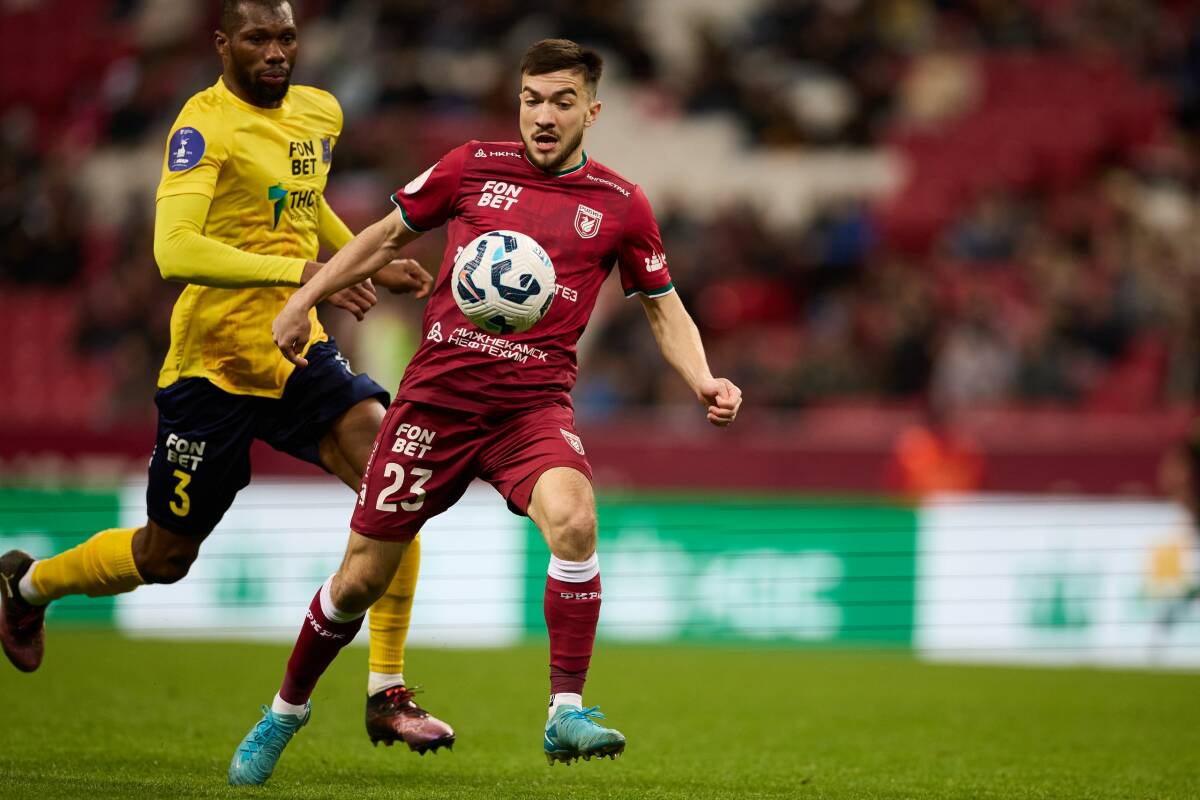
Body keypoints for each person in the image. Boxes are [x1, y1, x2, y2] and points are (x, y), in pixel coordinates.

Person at [226, 38, 743, 785]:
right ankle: (285, 711)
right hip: (433, 409)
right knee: (359, 581)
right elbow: (383, 236)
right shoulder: (471, 166)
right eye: (532, 99)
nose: (543, 115)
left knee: (575, 520)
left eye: (562, 102)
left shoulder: (621, 205)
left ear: (592, 112)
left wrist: (702, 378)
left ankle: (565, 710)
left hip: (530, 411)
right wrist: (304, 298)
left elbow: (664, 306)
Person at [0, 0, 454, 754]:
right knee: (164, 558)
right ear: (222, 44)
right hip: (212, 366)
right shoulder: (201, 126)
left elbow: (301, 205)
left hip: (297, 354)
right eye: (258, 38)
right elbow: (174, 250)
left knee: (396, 484)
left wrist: (361, 260)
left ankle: (387, 690)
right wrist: (305, 274)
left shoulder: (320, 112)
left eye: (286, 37)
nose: (276, 51)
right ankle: (26, 585)